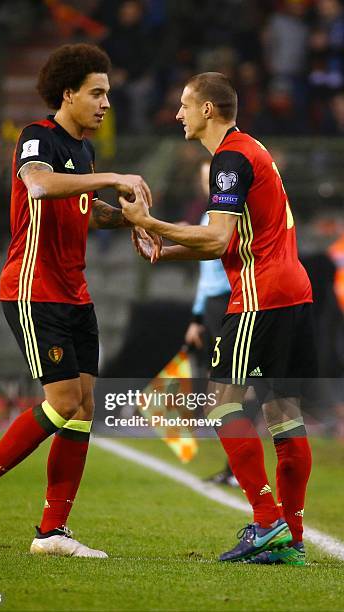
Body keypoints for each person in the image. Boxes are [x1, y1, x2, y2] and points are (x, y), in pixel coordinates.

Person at [0, 43, 158, 558]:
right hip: (34, 287)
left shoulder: (85, 152)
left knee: (85, 408)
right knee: (64, 402)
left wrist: (135, 222)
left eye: (108, 93)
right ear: (67, 94)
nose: (106, 102)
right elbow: (41, 187)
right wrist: (115, 177)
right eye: (97, 92)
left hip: (75, 290)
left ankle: (52, 532)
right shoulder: (36, 138)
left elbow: (84, 208)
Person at [123, 72, 316, 566]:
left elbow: (214, 239)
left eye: (184, 105)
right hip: (295, 291)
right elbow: (229, 241)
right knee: (283, 414)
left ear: (207, 109)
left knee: (220, 404)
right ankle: (290, 538)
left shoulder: (229, 159)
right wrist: (163, 251)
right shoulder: (252, 149)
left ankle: (267, 519)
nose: (178, 114)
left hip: (261, 295)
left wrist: (148, 222)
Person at [183, 160, 236, 487]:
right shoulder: (208, 217)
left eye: (212, 178)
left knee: (231, 389)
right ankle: (233, 467)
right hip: (214, 308)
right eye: (205, 179)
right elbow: (205, 279)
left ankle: (236, 469)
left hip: (232, 304)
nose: (210, 184)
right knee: (219, 389)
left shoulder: (225, 219)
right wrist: (197, 318)